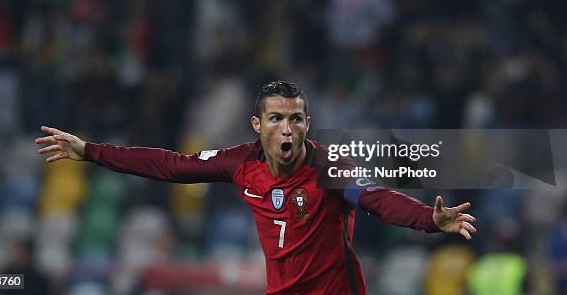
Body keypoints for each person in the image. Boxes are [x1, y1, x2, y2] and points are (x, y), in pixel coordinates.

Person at [36, 81, 477, 294]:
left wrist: (428, 220)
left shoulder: (329, 166)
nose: (287, 129)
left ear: (307, 125)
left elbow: (376, 199)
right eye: (276, 119)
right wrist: (91, 151)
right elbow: (169, 165)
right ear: (258, 125)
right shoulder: (241, 162)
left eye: (296, 119)